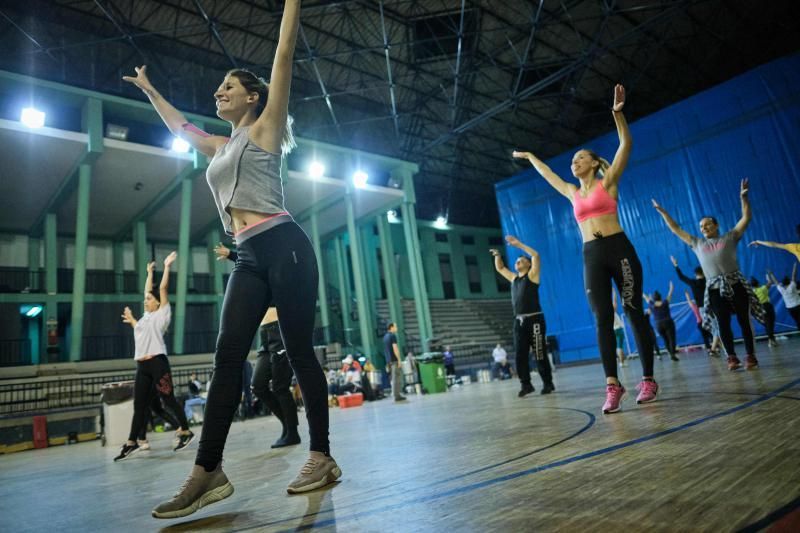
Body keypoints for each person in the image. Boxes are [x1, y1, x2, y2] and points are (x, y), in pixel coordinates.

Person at [125, 1, 340, 518]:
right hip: (247, 255)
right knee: (226, 358)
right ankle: (208, 471)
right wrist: (152, 92)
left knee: (299, 351)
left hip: (285, 244)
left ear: (253, 96)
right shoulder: (219, 146)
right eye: (218, 87)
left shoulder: (264, 129)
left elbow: (284, 56)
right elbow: (181, 129)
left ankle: (321, 454)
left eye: (228, 86)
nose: (218, 91)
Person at [513, 85, 656, 413]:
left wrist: (618, 114)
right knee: (602, 318)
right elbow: (548, 174)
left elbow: (626, 144)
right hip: (591, 254)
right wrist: (532, 156)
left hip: (619, 248)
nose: (574, 163)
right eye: (573, 160)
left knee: (633, 312)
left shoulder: (609, 182)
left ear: (593, 163)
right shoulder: (571, 192)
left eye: (580, 158)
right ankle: (612, 385)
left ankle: (647, 379)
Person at [652, 178, 764, 371]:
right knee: (722, 323)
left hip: (735, 282)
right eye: (701, 227)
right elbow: (675, 229)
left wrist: (743, 198)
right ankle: (731, 357)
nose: (703, 228)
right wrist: (663, 212)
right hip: (714, 288)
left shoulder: (729, 237)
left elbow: (746, 218)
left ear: (716, 226)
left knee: (744, 321)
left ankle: (751, 356)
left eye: (707, 225)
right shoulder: (697, 243)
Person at [115, 252, 195, 461]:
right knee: (139, 406)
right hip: (142, 367)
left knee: (168, 399)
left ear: (158, 303)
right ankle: (132, 441)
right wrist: (149, 272)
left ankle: (186, 431)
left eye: (149, 299)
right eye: (145, 299)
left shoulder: (162, 314)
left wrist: (166, 267)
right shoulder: (144, 318)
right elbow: (147, 290)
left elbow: (162, 289)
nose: (145, 300)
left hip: (158, 363)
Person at [491, 236, 555, 397]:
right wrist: (498, 256)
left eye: (520, 261)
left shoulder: (532, 275)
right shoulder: (514, 279)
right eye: (516, 261)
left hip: (535, 320)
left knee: (539, 353)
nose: (517, 263)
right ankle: (526, 385)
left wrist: (518, 245)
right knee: (520, 354)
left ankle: (548, 383)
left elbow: (536, 256)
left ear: (528, 264)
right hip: (519, 322)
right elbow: (500, 269)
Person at [671, 256, 715, 353]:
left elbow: (681, 277)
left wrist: (676, 265)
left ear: (695, 274)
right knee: (715, 327)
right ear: (704, 273)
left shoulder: (693, 283)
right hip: (713, 306)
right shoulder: (708, 281)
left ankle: (711, 348)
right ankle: (717, 346)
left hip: (702, 308)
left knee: (707, 328)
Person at [644, 283, 679, 361]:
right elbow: (670, 294)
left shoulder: (651, 304)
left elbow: (645, 297)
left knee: (665, 339)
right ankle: (672, 354)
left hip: (658, 324)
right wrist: (671, 287)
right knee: (671, 339)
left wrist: (642, 293)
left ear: (653, 298)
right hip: (668, 322)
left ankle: (670, 353)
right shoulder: (665, 303)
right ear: (660, 297)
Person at [768, 265, 800, 330]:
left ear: (783, 283)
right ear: (789, 282)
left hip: (790, 308)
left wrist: (771, 273)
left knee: (797, 321)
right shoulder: (792, 286)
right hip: (798, 305)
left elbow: (776, 282)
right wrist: (795, 267)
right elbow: (794, 276)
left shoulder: (782, 289)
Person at [750, 276, 778, 347]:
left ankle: (771, 340)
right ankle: (771, 340)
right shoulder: (762, 288)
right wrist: (768, 276)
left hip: (759, 309)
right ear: (758, 283)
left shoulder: (752, 292)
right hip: (767, 306)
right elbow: (770, 282)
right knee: (770, 324)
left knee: (767, 325)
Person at [383, 323, 407, 402]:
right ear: (391, 327)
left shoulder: (385, 337)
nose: (396, 328)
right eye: (395, 326)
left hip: (388, 361)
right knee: (396, 378)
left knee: (393, 378)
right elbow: (395, 348)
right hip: (394, 360)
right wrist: (399, 359)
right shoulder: (392, 336)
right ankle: (397, 396)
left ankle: (395, 394)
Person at [611, 292, 628, 367]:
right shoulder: (611, 310)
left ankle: (623, 359)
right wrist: (614, 292)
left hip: (612, 331)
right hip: (618, 329)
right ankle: (621, 362)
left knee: (618, 347)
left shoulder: (603, 314)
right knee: (619, 347)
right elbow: (615, 300)